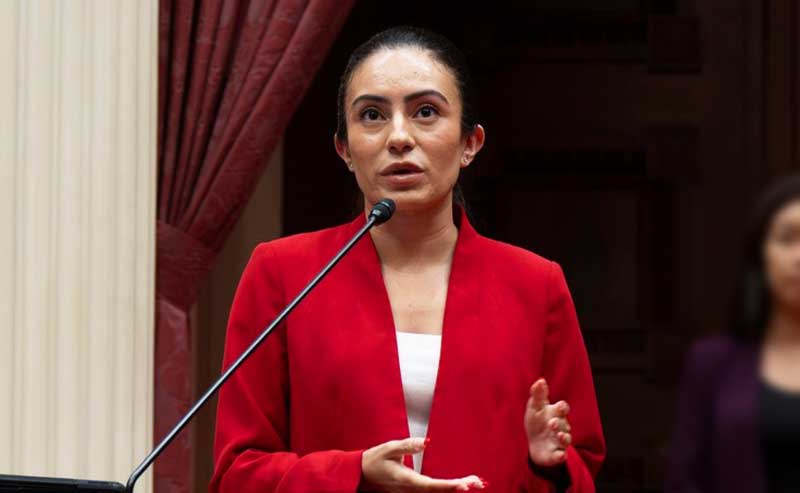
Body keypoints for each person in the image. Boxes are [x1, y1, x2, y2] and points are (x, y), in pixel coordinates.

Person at [210, 26, 605, 493]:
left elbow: (581, 465)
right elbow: (237, 473)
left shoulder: (536, 284)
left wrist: (549, 465)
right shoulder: (282, 273)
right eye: (372, 115)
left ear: (470, 143)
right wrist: (354, 474)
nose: (399, 137)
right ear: (344, 149)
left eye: (426, 112)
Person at [666, 176, 800, 493]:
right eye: (786, 239)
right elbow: (684, 478)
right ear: (760, 254)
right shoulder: (712, 362)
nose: (799, 257)